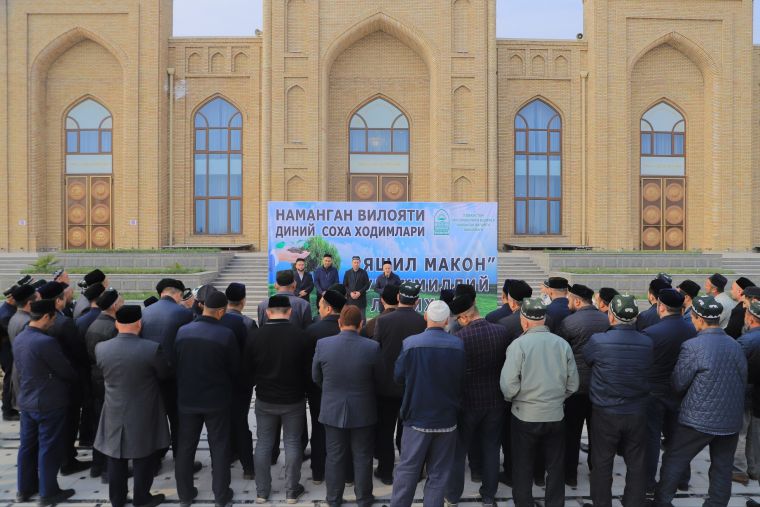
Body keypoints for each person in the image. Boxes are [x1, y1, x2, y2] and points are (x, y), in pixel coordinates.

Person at [652, 295, 747, 507]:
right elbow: (742, 378)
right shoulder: (735, 344)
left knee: (674, 459)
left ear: (699, 319)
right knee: (722, 466)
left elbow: (678, 382)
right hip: (730, 419)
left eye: (693, 318)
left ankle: (662, 502)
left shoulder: (693, 346)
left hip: (698, 418)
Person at [391, 300, 466, 507]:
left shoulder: (410, 343)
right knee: (439, 474)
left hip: (417, 417)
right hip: (447, 418)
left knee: (407, 470)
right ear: (446, 321)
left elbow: (398, 376)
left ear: (426, 317)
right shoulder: (458, 345)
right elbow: (461, 380)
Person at [95, 305, 169, 507]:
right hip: (143, 409)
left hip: (113, 408)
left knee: (115, 455)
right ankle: (142, 497)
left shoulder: (101, 348)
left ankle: (117, 499)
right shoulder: (151, 348)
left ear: (117, 323)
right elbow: (164, 374)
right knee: (144, 454)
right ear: (139, 323)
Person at [583, 294, 652, 507]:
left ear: (611, 317)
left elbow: (588, 359)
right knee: (637, 463)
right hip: (637, 411)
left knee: (602, 463)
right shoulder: (647, 342)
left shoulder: (599, 341)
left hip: (606, 411)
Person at [313, 305, 383, 507]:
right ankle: (364, 498)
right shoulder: (371, 347)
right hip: (363, 409)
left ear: (339, 323)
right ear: (361, 324)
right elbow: (379, 379)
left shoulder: (323, 344)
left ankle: (333, 499)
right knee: (362, 456)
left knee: (334, 456)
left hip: (332, 409)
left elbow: (316, 377)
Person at [174, 291, 239, 507]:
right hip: (216, 400)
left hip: (187, 399)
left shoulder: (183, 331)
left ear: (203, 307)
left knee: (185, 447)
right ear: (221, 311)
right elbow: (234, 370)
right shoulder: (226, 335)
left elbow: (176, 363)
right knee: (219, 447)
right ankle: (221, 496)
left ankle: (184, 495)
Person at [445, 293, 511, 507]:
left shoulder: (460, 339)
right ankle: (489, 495)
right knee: (492, 449)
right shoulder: (501, 332)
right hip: (495, 401)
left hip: (467, 403)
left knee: (459, 450)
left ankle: (453, 495)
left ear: (463, 318)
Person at [246, 294, 311, 503]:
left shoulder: (255, 336)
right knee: (292, 443)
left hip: (265, 398)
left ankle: (262, 491)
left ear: (267, 312)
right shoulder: (301, 336)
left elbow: (248, 369)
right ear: (290, 312)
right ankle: (292, 490)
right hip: (293, 399)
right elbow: (307, 370)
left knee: (264, 443)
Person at [13, 299, 77, 505]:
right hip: (48, 402)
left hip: (27, 400)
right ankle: (48, 492)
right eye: (53, 317)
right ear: (47, 316)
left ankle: (24, 489)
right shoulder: (46, 342)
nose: (54, 322)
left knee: (27, 447)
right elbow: (64, 370)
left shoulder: (21, 337)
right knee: (49, 447)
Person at [642, 288, 697, 493]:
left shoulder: (651, 333)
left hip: (653, 391)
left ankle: (648, 480)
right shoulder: (691, 330)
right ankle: (682, 478)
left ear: (661, 306)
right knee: (677, 436)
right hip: (679, 391)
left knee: (651, 437)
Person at [373, 281, 426, 485]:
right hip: (412, 387)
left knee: (385, 431)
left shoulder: (384, 321)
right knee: (409, 433)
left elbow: (377, 351)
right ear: (417, 301)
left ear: (398, 298)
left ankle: (386, 471)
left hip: (386, 386)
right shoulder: (422, 322)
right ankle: (410, 471)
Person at [556, 284, 610, 487]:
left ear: (577, 301)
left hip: (575, 387)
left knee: (571, 432)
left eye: (570, 299)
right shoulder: (606, 320)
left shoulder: (569, 322)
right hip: (599, 385)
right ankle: (596, 471)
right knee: (597, 433)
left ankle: (569, 474)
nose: (568, 303)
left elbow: (560, 351)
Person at [38, 281, 91, 476]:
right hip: (69, 379)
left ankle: (65, 454)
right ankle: (67, 460)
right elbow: (78, 352)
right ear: (58, 300)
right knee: (70, 421)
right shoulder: (63, 323)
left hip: (50, 381)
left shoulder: (39, 319)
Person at [141, 278, 195, 460]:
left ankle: (154, 460)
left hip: (149, 375)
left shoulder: (145, 312)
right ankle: (181, 458)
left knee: (153, 419)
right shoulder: (183, 313)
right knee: (178, 420)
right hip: (175, 375)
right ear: (178, 293)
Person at [305, 289, 347, 485]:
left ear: (329, 309)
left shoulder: (313, 330)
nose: (318, 309)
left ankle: (318, 472)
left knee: (319, 430)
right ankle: (347, 475)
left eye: (320, 306)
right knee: (344, 432)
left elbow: (307, 366)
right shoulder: (350, 329)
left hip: (318, 391)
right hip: (346, 393)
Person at [494, 278, 533, 485]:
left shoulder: (504, 324)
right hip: (537, 385)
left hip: (511, 387)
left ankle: (511, 472)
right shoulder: (546, 319)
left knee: (510, 435)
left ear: (510, 300)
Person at [85, 288, 123, 479]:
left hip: (96, 378)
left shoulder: (94, 324)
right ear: (114, 305)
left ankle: (97, 464)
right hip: (108, 381)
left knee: (99, 424)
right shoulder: (112, 328)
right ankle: (109, 470)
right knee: (111, 426)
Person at [0, 285, 19, 421]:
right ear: (11, 298)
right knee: (10, 380)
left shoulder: (8, 309)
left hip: (8, 349)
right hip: (7, 350)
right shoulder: (6, 314)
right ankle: (8, 409)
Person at [343, 256, 371, 321]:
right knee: (350, 319)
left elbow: (367, 285)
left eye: (357, 262)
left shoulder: (364, 272)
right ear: (352, 263)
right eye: (354, 262)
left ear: (360, 263)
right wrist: (350, 293)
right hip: (350, 300)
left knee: (362, 319)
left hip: (361, 300)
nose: (356, 264)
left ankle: (363, 331)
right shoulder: (347, 273)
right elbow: (344, 285)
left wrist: (360, 292)